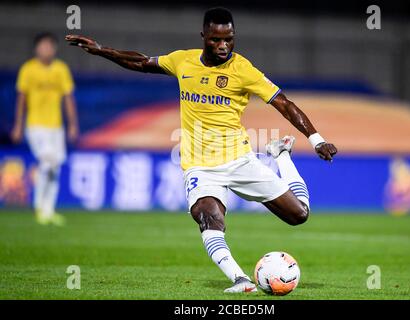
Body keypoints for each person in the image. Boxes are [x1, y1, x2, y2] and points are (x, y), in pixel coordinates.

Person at [65, 7, 337, 292]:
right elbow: (142, 62)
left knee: (300, 215)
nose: (223, 46)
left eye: (229, 39)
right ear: (203, 36)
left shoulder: (243, 69)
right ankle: (241, 279)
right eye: (216, 40)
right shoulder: (183, 61)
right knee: (208, 216)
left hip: (240, 160)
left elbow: (284, 103)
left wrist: (316, 139)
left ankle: (281, 156)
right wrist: (101, 50)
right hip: (200, 166)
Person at [12, 32, 78, 226]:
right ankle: (40, 207)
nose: (46, 49)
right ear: (36, 48)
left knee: (55, 166)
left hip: (56, 127)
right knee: (48, 160)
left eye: (50, 46)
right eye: (43, 46)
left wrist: (72, 125)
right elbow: (21, 99)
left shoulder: (61, 69)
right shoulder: (28, 69)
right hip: (35, 126)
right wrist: (18, 125)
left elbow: (68, 98)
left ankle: (48, 210)